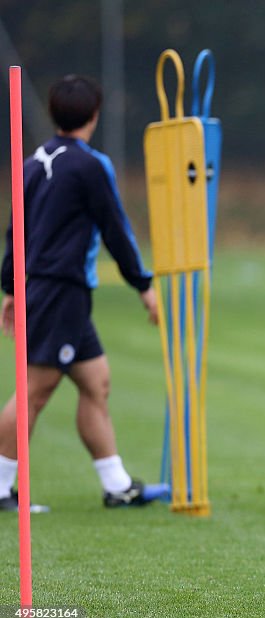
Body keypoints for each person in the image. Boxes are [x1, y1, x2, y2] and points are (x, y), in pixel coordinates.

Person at [0, 75, 160, 512]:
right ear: (94, 115)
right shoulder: (91, 165)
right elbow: (115, 228)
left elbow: (16, 230)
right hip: (61, 290)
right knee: (34, 390)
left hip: (50, 290)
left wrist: (11, 288)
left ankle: (117, 485)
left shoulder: (32, 163)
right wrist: (143, 284)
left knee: (96, 381)